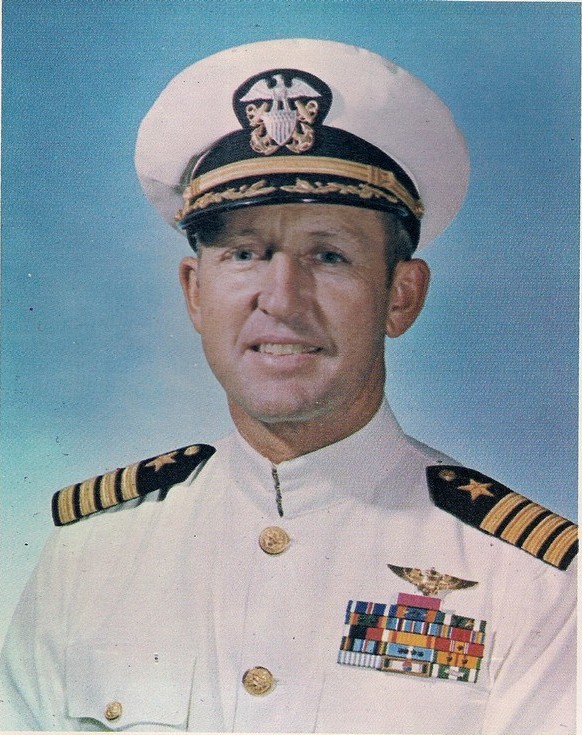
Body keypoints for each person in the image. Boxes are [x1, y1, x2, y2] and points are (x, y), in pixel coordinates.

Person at [0, 39, 576, 734]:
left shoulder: (533, 584)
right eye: (245, 253)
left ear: (401, 295)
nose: (281, 299)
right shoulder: (89, 557)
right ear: (195, 292)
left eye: (328, 255)